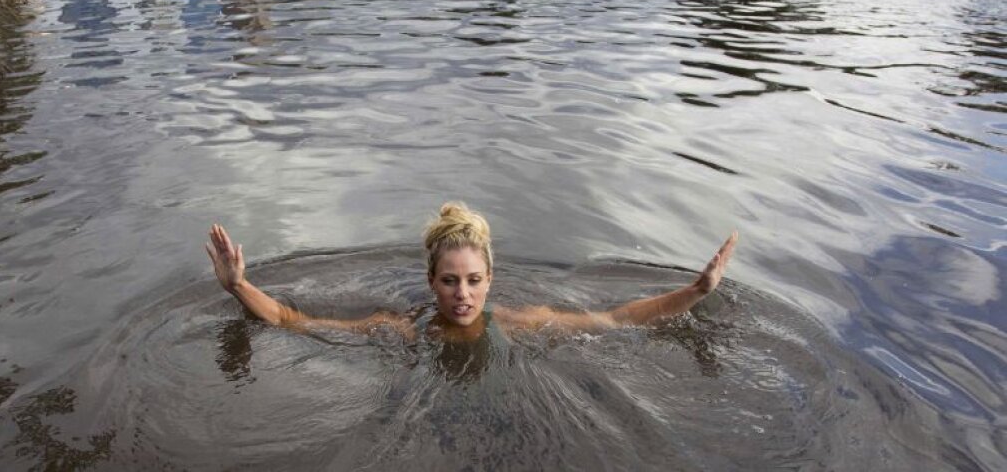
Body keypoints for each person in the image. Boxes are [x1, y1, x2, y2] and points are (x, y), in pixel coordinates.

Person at [206, 203, 738, 341]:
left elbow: (617, 319)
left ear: (491, 280)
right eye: (450, 280)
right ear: (430, 282)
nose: (463, 294)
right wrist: (239, 286)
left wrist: (696, 290)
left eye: (473, 280)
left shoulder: (521, 322)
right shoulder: (401, 328)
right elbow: (294, 321)